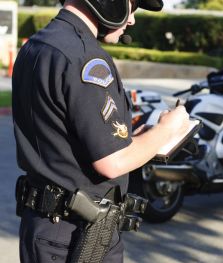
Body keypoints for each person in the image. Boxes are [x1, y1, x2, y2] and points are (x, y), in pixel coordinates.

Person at [12, 0, 190, 262]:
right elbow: (112, 162)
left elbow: (65, 137)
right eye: (133, 7)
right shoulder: (85, 57)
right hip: (76, 236)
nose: (131, 20)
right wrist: (167, 129)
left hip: (45, 227)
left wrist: (141, 139)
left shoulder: (38, 44)